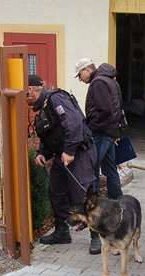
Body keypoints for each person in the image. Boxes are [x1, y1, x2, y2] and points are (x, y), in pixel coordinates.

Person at [26, 74, 97, 246]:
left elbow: (74, 123)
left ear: (29, 91)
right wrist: (42, 153)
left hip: (79, 152)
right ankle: (62, 233)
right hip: (62, 155)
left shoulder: (55, 99)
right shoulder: (43, 107)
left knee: (85, 194)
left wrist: (70, 151)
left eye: (23, 95)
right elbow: (51, 135)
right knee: (56, 193)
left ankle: (97, 236)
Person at [75, 58, 125, 255]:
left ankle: (95, 231)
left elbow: (105, 110)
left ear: (88, 70)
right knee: (111, 172)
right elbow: (116, 109)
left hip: (102, 133)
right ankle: (121, 212)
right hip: (110, 132)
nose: (80, 79)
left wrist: (91, 126)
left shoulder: (97, 82)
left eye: (80, 74)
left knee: (91, 176)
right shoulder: (110, 80)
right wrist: (115, 132)